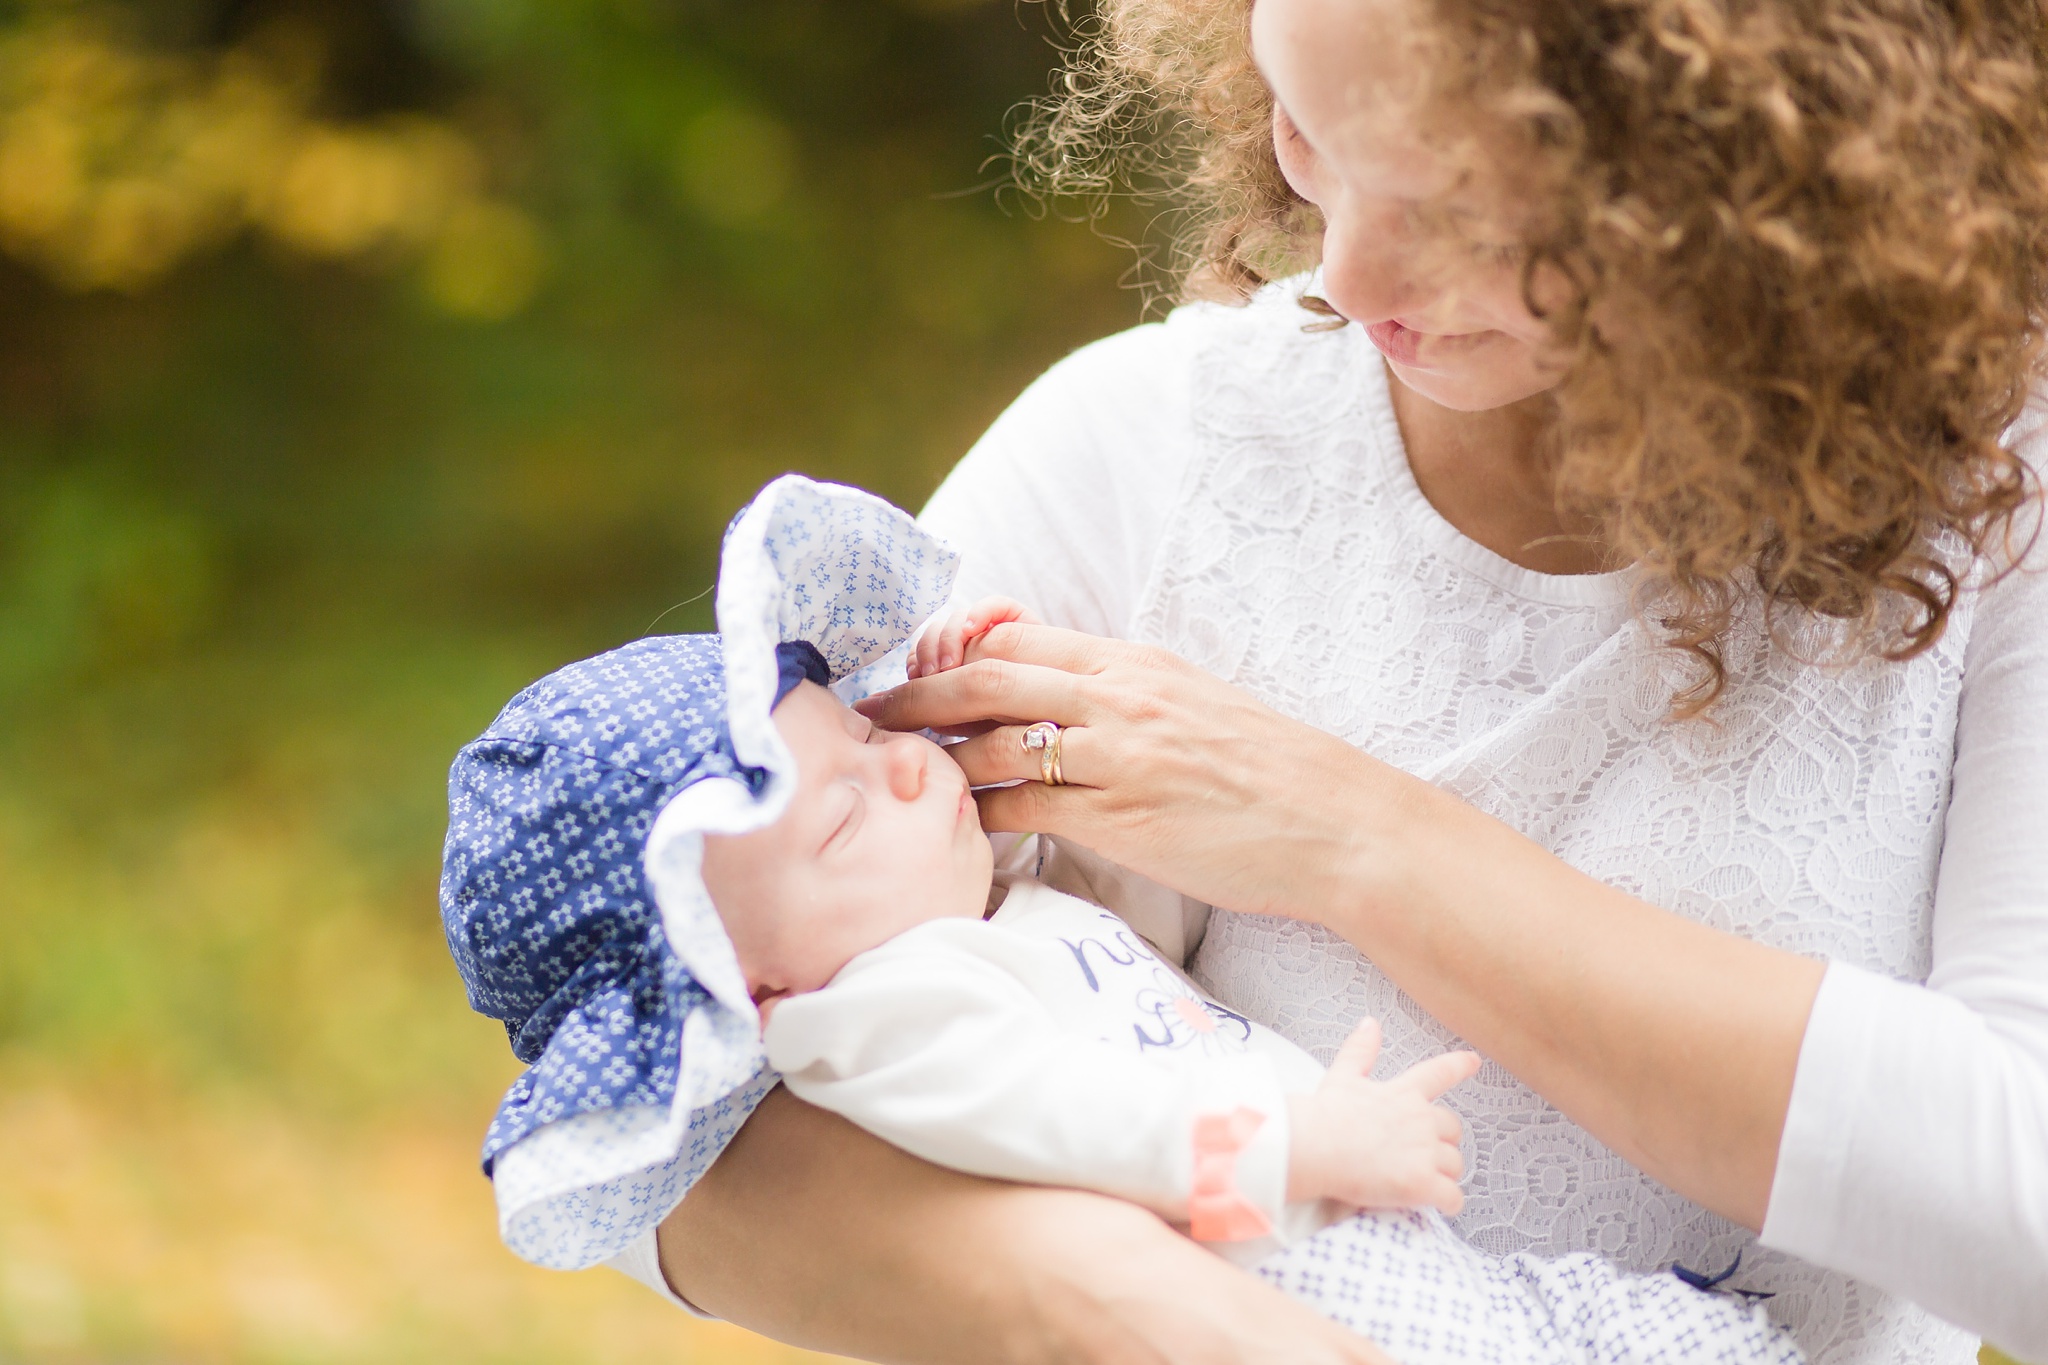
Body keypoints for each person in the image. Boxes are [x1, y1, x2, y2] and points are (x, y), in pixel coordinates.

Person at [653, 0, 2048, 1361]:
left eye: (1461, 207)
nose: (1349, 275)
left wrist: (1354, 838)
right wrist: (1185, 1326)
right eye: (1309, 131)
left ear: (1744, 183)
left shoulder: (2004, 498)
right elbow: (660, 1112)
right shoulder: (1147, 452)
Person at [440, 474, 1805, 1363]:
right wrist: (1302, 1144)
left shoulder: (979, 920)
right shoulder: (879, 1022)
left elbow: (1146, 925)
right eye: (848, 812)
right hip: (1290, 1285)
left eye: (862, 733)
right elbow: (1073, 1128)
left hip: (1341, 1257)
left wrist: (1025, 745)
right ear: (756, 988)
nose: (908, 761)